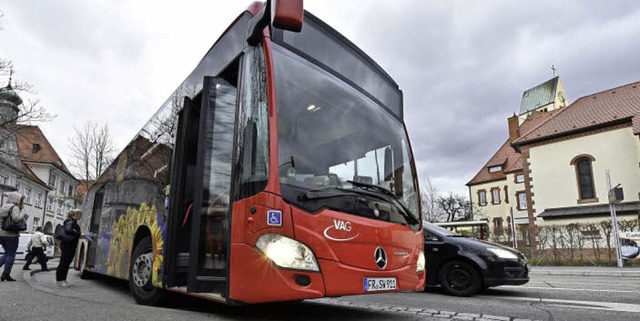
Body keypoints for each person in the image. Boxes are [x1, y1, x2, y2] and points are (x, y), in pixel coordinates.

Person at [0, 191, 26, 282]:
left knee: (7, 253)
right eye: (20, 200)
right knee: (11, 254)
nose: (21, 202)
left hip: (1, 234)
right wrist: (22, 211)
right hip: (11, 234)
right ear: (16, 199)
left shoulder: (3, 206)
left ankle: (5, 274)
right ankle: (6, 274)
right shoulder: (14, 207)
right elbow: (16, 219)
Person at [56, 208, 83, 287]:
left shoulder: (70, 221)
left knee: (64, 262)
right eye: (80, 215)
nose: (80, 216)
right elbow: (68, 230)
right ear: (76, 214)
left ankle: (61, 280)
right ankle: (61, 280)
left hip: (68, 244)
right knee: (64, 263)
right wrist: (79, 234)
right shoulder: (71, 221)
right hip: (68, 245)